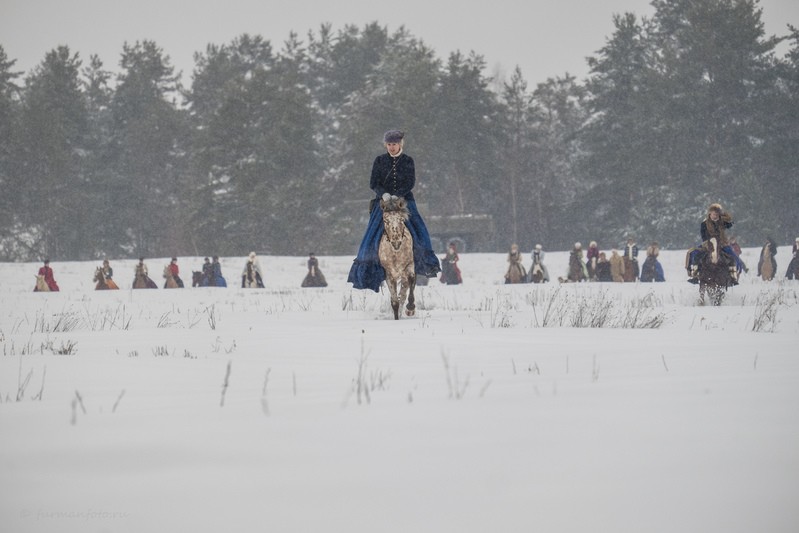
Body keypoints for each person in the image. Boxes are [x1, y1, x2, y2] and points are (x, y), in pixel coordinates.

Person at [347, 130, 441, 292]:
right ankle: (369, 267)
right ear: (386, 145)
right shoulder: (379, 161)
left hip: (404, 200)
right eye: (389, 144)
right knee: (372, 233)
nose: (391, 147)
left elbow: (410, 182)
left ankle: (425, 261)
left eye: (394, 144)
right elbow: (373, 183)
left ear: (400, 144)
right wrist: (383, 194)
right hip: (382, 201)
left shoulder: (408, 161)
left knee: (418, 228)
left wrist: (398, 196)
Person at [687, 203, 742, 283]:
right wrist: (708, 242)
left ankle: (733, 275)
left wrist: (725, 215)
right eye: (713, 214)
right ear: (710, 213)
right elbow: (703, 235)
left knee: (733, 256)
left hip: (721, 243)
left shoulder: (722, 222)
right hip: (708, 243)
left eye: (717, 214)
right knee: (695, 254)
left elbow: (731, 224)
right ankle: (695, 274)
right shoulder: (704, 223)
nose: (715, 216)